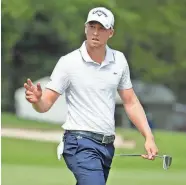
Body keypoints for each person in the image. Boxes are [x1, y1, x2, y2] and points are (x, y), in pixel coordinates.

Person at [24, 7, 158, 185]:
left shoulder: (119, 61)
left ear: (111, 32)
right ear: (85, 28)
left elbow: (131, 102)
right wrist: (37, 100)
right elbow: (45, 104)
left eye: (102, 28)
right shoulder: (68, 62)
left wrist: (149, 137)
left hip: (107, 146)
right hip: (79, 143)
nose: (95, 32)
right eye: (92, 26)